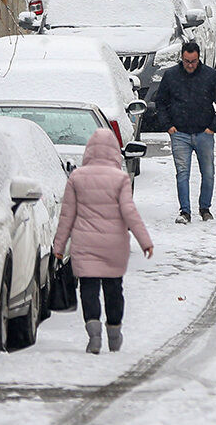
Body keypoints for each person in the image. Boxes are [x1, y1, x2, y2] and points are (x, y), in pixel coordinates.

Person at [52, 128, 154, 354]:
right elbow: (130, 212)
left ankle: (94, 335)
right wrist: (145, 241)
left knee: (88, 288)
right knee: (113, 288)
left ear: (89, 150)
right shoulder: (120, 179)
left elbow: (67, 215)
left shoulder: (77, 178)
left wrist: (59, 247)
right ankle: (114, 332)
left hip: (84, 243)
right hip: (114, 245)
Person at [153, 40, 216, 224]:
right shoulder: (171, 76)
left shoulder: (210, 76)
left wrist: (213, 127)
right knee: (182, 173)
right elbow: (160, 102)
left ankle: (205, 209)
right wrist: (168, 126)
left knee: (208, 173)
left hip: (204, 133)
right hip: (179, 133)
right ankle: (185, 211)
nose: (190, 65)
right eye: (187, 61)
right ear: (181, 58)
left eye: (193, 61)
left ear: (199, 59)